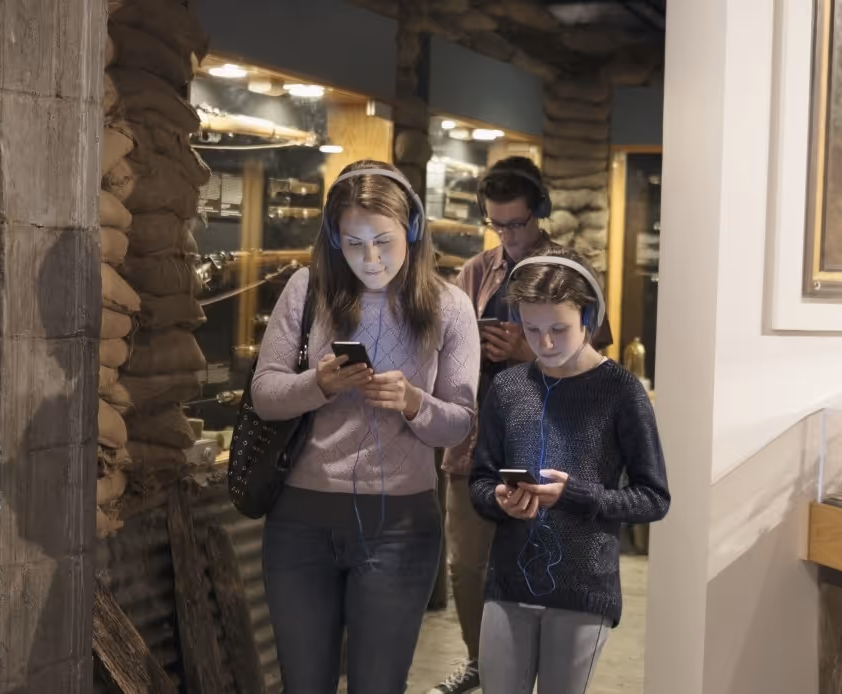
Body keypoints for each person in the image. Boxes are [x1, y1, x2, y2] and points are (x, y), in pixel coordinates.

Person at [250, 160, 480, 693]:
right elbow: (266, 395)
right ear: (334, 238)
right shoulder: (306, 289)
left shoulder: (450, 306)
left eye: (383, 240)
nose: (370, 259)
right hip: (298, 525)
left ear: (414, 231)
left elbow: (460, 426)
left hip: (399, 528)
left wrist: (412, 401)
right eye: (353, 244)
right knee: (303, 684)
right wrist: (321, 384)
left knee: (378, 685)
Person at [433, 157, 614, 694]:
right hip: (476, 442)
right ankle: (481, 664)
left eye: (517, 224)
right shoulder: (476, 271)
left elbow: (599, 360)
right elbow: (445, 345)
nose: (508, 236)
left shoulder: (569, 272)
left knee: (543, 569)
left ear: (540, 213)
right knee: (467, 567)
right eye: (497, 224)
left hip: (549, 443)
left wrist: (525, 352)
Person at [468, 249, 669, 694]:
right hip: (508, 584)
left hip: (583, 589)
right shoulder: (507, 387)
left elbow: (654, 498)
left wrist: (577, 495)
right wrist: (499, 499)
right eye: (532, 329)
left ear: (589, 317)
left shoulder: (621, 391)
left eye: (558, 328)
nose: (545, 343)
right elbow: (480, 481)